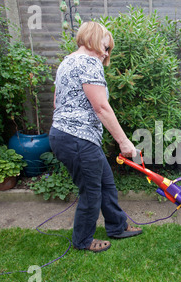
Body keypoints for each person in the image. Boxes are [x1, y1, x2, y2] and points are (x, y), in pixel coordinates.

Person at [49, 21, 142, 253]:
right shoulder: (89, 63)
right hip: (77, 138)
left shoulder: (67, 61)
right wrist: (124, 142)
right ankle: (82, 240)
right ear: (92, 37)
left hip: (68, 135)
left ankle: (117, 226)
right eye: (105, 45)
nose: (106, 52)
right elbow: (101, 107)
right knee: (91, 192)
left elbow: (56, 102)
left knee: (106, 183)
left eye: (109, 48)